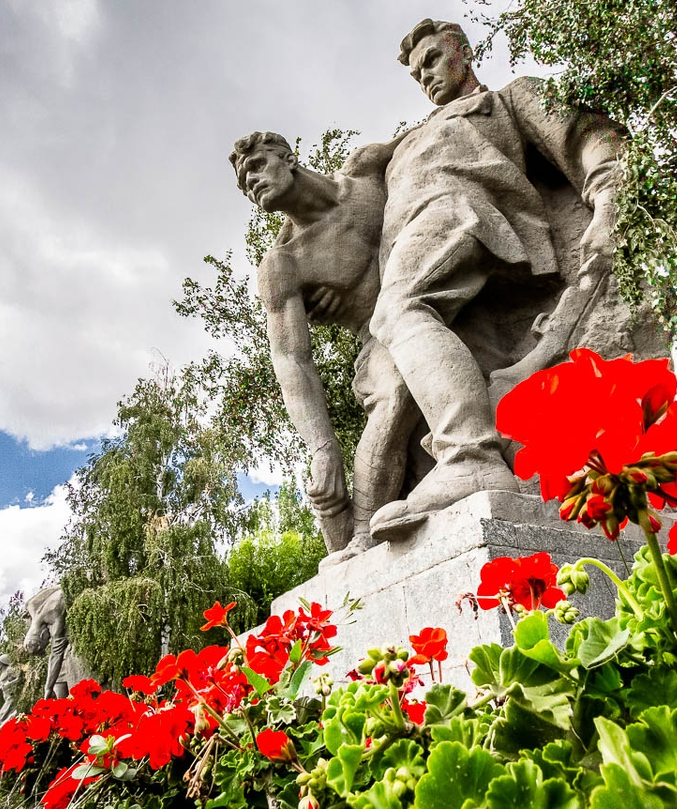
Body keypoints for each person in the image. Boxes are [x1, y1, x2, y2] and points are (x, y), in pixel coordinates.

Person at [368, 18, 626, 536]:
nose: (428, 78)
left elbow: (585, 136)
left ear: (463, 51)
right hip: (438, 269)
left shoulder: (508, 99)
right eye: (418, 74)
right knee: (469, 373)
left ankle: (467, 456)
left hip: (464, 215)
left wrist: (608, 199)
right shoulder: (406, 144)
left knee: (400, 310)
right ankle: (516, 469)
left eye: (434, 61)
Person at [229, 131, 421, 560]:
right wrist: (322, 448)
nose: (252, 182)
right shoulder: (285, 263)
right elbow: (291, 358)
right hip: (380, 340)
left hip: (439, 295)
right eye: (244, 183)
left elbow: (432, 137)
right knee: (396, 388)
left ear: (289, 158)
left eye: (258, 166)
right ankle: (362, 537)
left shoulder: (369, 169)